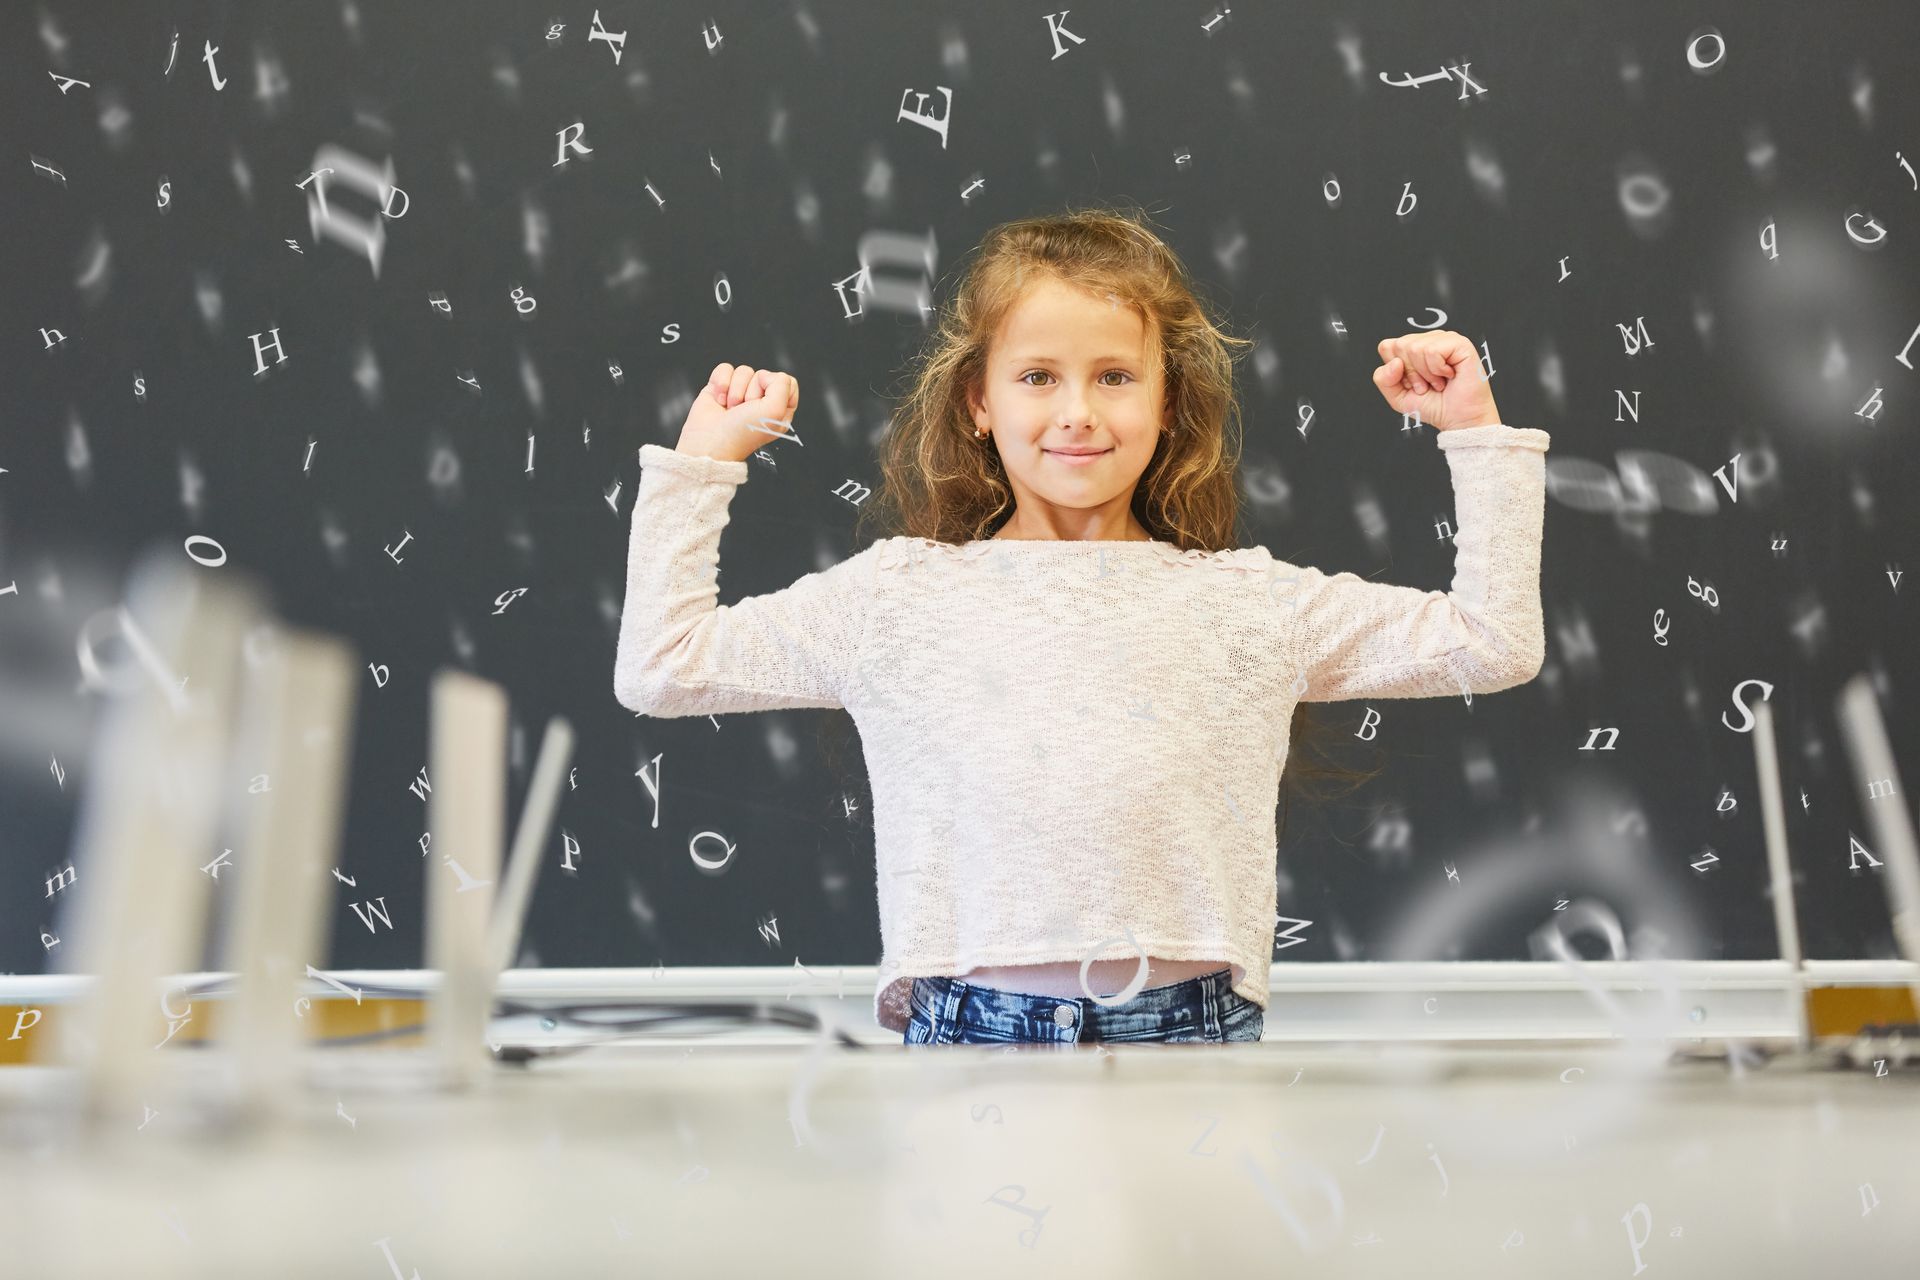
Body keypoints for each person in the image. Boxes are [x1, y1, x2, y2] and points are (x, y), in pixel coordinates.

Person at [614, 205, 1550, 1047]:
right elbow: (663, 666)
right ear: (980, 403)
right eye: (1036, 376)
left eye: (1113, 376)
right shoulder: (896, 598)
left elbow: (1493, 640)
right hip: (966, 1029)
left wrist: (1471, 431)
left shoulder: (1248, 602)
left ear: (1165, 403)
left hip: (1190, 1032)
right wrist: (704, 464)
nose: (1076, 412)